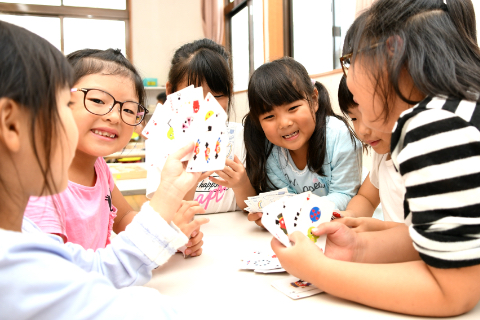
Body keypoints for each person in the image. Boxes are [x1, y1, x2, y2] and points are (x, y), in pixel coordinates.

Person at [272, 0, 480, 316]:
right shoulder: (457, 110)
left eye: (351, 61)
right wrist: (361, 247)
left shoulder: (434, 126)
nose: (349, 83)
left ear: (393, 55)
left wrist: (318, 271)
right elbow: (449, 243)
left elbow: (452, 291)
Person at [0, 20, 208, 318]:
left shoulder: (23, 236)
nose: (112, 117)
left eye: (127, 109)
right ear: (11, 123)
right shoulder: (22, 250)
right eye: (62, 106)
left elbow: (96, 267)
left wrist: (167, 215)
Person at [24, 48, 205, 256]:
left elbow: (124, 217)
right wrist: (154, 239)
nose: (114, 117)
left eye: (128, 109)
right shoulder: (39, 185)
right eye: (98, 100)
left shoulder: (98, 166)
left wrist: (167, 237)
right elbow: (56, 274)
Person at [244, 57, 362, 226]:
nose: (284, 123)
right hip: (308, 231)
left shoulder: (338, 136)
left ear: (314, 100)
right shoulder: (272, 153)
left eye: (292, 108)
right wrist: (275, 216)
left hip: (350, 228)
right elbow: (286, 198)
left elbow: (345, 194)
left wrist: (297, 213)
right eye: (269, 116)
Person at [147, 38, 256, 213]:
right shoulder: (161, 140)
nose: (206, 106)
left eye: (218, 95)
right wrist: (188, 181)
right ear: (170, 92)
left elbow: (249, 207)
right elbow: (165, 212)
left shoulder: (241, 136)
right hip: (186, 232)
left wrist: (241, 183)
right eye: (194, 95)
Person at [336, 75, 405, 232]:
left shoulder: (417, 156)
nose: (362, 130)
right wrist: (349, 216)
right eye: (354, 118)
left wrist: (377, 230)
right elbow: (366, 198)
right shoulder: (382, 153)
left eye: (370, 113)